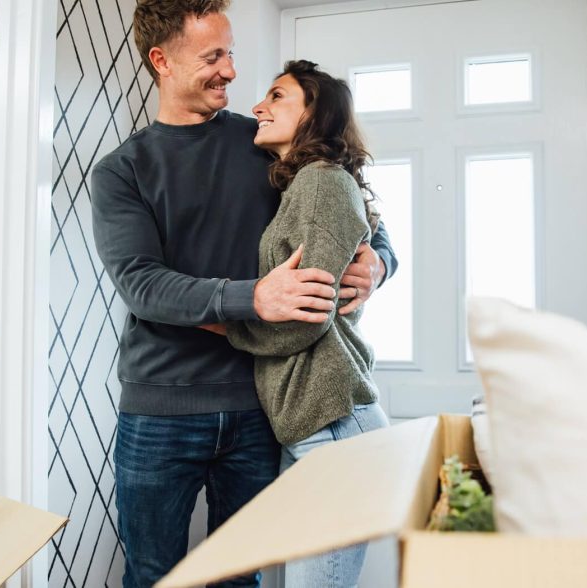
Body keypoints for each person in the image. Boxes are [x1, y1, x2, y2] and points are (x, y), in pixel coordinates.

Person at [89, 2, 398, 587]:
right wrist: (253, 299)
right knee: (153, 574)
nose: (231, 71)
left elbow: (355, 202)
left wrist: (379, 262)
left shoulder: (262, 143)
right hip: (159, 410)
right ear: (162, 61)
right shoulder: (121, 172)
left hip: (260, 405)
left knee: (241, 577)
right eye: (213, 56)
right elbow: (141, 284)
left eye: (229, 53)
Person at [201, 59, 390, 588]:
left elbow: (307, 315)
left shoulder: (323, 184)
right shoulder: (304, 185)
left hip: (334, 426)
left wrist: (217, 321)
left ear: (316, 114)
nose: (258, 106)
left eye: (278, 96)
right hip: (314, 427)